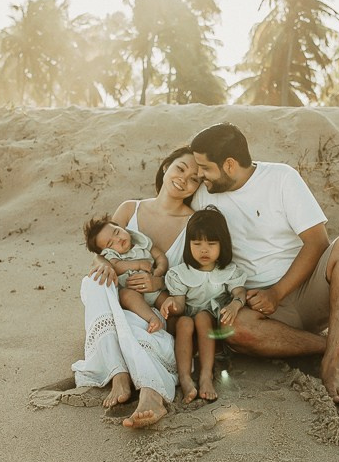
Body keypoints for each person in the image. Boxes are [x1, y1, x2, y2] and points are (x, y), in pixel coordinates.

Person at [190, 122, 339, 404]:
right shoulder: (204, 195)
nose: (198, 174)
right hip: (258, 309)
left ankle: (331, 363)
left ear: (228, 164)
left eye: (204, 167)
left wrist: (277, 292)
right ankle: (336, 346)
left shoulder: (280, 178)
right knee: (234, 329)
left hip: (305, 289)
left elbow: (317, 242)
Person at [73, 146, 201, 428]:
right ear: (166, 166)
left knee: (135, 324)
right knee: (92, 282)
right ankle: (119, 374)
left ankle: (151, 394)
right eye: (181, 168)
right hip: (116, 300)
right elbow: (100, 246)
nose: (184, 179)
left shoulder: (193, 223)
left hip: (156, 311)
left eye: (194, 178)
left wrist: (157, 281)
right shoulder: (130, 208)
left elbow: (193, 277)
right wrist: (104, 264)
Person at [160, 206, 248, 403]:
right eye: (197, 243)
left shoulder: (227, 271)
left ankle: (206, 376)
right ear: (188, 244)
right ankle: (185, 378)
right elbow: (181, 307)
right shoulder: (181, 273)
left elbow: (240, 291)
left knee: (202, 317)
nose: (204, 249)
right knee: (184, 321)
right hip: (187, 335)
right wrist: (171, 303)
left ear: (222, 244)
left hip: (214, 332)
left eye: (211, 243)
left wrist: (235, 304)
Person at [83, 215, 169, 333]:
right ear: (105, 251)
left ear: (122, 228)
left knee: (169, 304)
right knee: (126, 295)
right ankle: (152, 318)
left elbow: (160, 256)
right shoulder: (112, 255)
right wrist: (138, 264)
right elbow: (116, 266)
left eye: (117, 232)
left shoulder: (141, 242)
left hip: (153, 289)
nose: (118, 239)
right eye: (110, 243)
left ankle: (172, 325)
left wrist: (159, 270)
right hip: (132, 291)